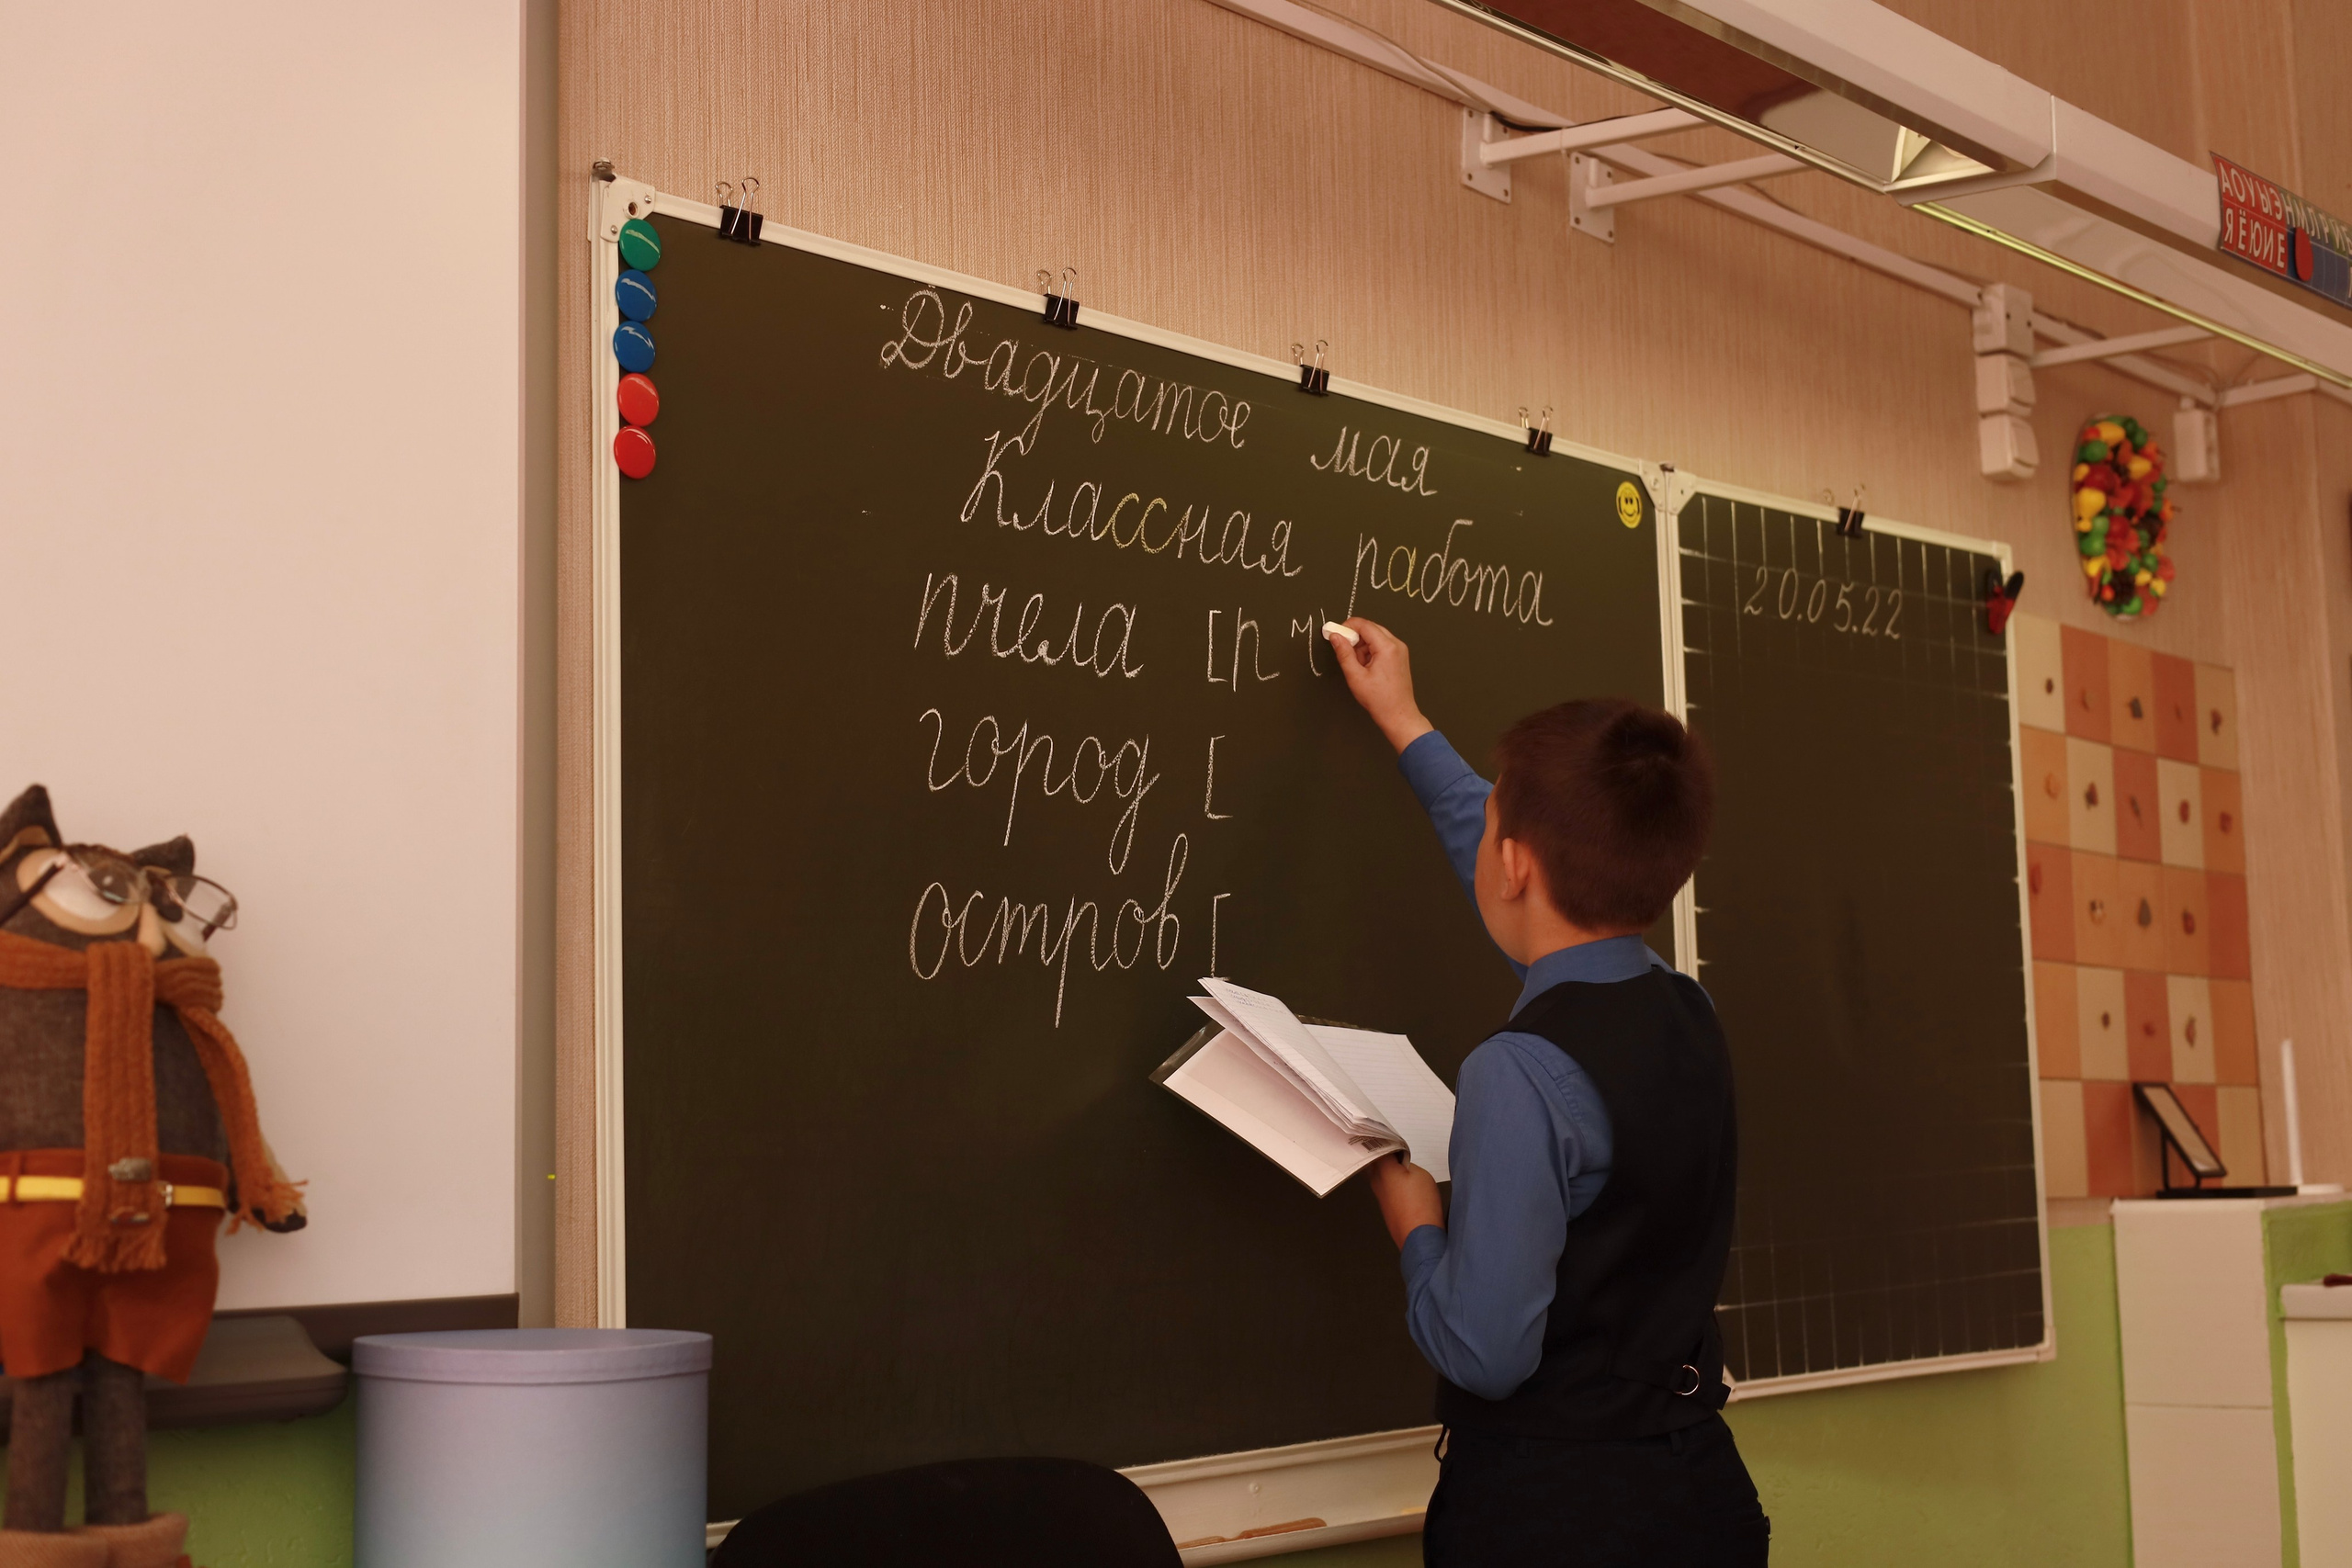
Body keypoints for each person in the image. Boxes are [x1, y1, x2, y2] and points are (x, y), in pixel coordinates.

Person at [1326, 617, 1768, 1567]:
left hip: (1555, 1517)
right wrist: (1404, 722)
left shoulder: (1517, 1071)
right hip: (1697, 1493)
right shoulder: (1688, 1009)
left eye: (1492, 822)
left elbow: (1485, 1350)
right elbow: (1538, 904)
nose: (1479, 828)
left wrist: (1415, 1222)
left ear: (1516, 861)